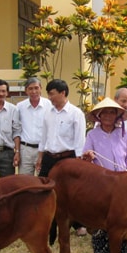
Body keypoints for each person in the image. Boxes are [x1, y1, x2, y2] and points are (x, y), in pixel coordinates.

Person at [82, 98, 127, 253]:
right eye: (104, 112)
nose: (108, 115)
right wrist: (88, 156)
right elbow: (85, 159)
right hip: (101, 185)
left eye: (112, 112)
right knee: (101, 224)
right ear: (99, 115)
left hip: (122, 184)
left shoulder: (124, 134)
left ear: (117, 116)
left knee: (125, 223)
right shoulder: (92, 135)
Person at [37, 79, 87, 242]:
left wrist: (78, 161)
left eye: (52, 94)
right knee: (43, 191)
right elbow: (43, 137)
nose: (49, 97)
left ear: (62, 93)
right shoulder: (48, 112)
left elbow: (80, 139)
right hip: (49, 158)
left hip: (67, 158)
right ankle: (48, 226)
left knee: (70, 193)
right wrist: (40, 156)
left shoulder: (75, 113)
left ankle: (78, 224)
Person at [16, 77, 52, 175]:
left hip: (44, 150)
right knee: (24, 182)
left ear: (41, 88)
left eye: (36, 88)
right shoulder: (20, 107)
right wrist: (17, 151)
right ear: (26, 91)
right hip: (25, 150)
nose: (34, 91)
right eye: (30, 89)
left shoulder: (49, 105)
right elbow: (16, 129)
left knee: (43, 180)